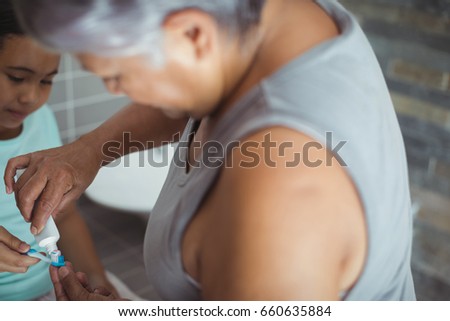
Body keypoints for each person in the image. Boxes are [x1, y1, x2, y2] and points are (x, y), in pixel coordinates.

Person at [6, 0, 416, 300]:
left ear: (192, 34)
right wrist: (90, 149)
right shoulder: (275, 20)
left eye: (117, 75)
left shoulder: (282, 200)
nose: (118, 92)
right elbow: (196, 92)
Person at [0, 0, 117, 300]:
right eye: (16, 77)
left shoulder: (40, 119)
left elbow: (64, 214)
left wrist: (100, 280)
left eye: (46, 81)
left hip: (46, 290)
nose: (31, 96)